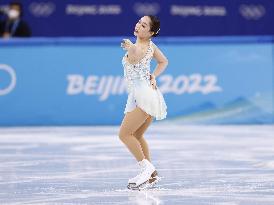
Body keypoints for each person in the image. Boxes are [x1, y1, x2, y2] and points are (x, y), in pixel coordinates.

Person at [119, 15, 168, 190]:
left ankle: (146, 168)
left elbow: (136, 56)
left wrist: (131, 47)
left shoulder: (139, 47)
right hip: (145, 94)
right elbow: (163, 61)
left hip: (142, 96)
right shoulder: (150, 46)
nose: (139, 25)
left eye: (144, 25)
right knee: (137, 136)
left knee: (124, 135)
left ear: (151, 32)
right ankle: (152, 176)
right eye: (139, 22)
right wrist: (154, 75)